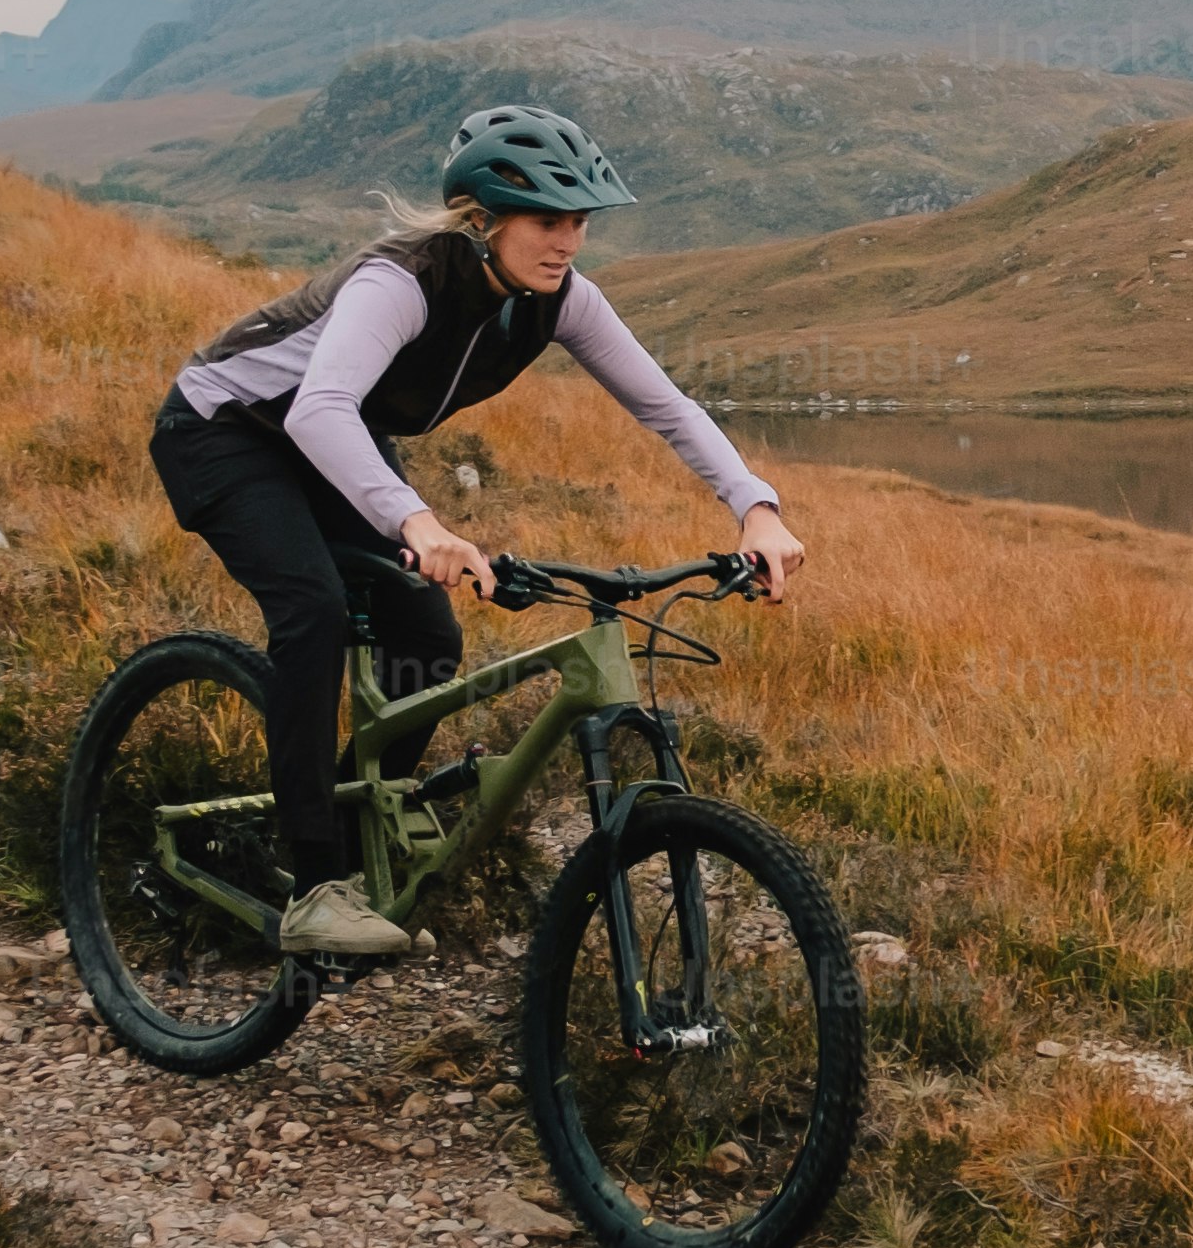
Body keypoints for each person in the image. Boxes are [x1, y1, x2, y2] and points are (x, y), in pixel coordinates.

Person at [147, 100, 804, 960]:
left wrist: (756, 508)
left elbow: (668, 408)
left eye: (579, 221)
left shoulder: (561, 300)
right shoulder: (401, 281)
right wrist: (419, 523)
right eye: (546, 221)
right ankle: (314, 887)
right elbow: (319, 409)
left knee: (428, 633)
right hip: (225, 431)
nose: (567, 242)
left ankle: (342, 841)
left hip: (332, 443)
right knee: (312, 611)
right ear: (482, 218)